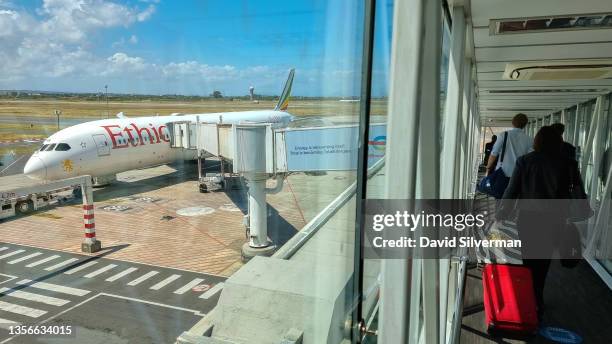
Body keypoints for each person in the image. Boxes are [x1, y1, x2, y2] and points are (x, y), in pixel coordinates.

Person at [496, 125, 584, 319]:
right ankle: (538, 298)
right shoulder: (568, 163)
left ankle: (528, 298)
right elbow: (578, 191)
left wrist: (502, 213)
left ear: (537, 141)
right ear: (559, 142)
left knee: (528, 259)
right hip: (556, 219)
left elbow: (512, 191)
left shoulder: (525, 161)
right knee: (543, 261)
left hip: (528, 219)